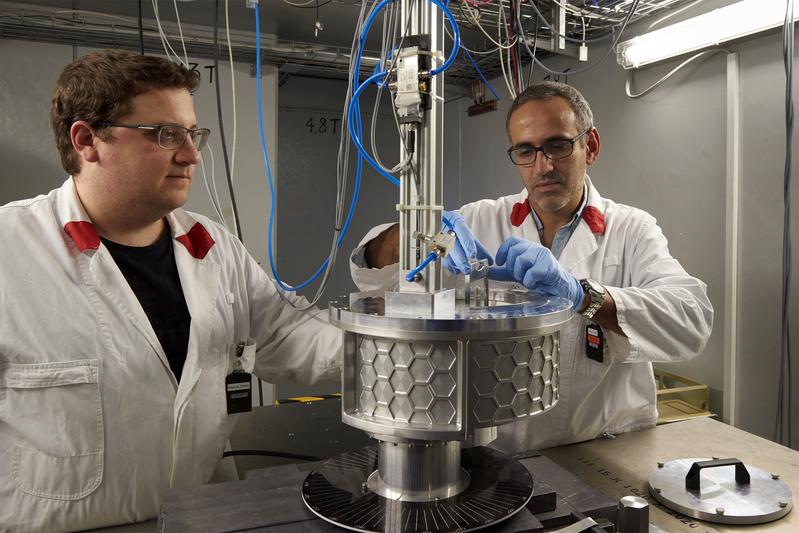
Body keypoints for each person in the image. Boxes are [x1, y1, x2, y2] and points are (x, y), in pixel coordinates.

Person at [0, 50, 340, 532]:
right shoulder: (9, 251)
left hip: (199, 516)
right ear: (88, 140)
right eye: (165, 135)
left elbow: (288, 334)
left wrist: (400, 344)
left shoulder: (211, 245)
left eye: (192, 133)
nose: (190, 154)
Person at [350, 81, 714, 453]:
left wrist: (581, 295)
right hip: (502, 453)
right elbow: (373, 280)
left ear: (590, 147)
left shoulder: (632, 229)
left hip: (604, 448)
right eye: (526, 151)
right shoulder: (480, 221)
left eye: (558, 145)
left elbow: (692, 319)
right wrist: (418, 231)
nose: (544, 166)